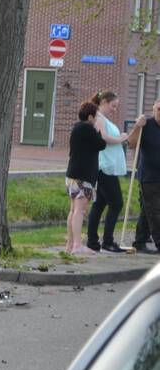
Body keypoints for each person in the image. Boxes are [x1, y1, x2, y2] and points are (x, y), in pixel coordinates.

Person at [86, 91, 131, 252]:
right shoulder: (98, 118)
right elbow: (103, 137)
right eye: (113, 106)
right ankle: (107, 241)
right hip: (105, 167)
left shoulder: (103, 118)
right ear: (104, 102)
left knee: (100, 204)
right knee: (116, 203)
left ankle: (93, 241)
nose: (114, 109)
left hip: (108, 167)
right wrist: (121, 138)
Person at [66, 101, 106, 255]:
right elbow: (101, 144)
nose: (96, 120)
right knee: (80, 211)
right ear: (90, 117)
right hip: (83, 177)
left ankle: (70, 245)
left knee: (73, 210)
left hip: (72, 175)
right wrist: (99, 129)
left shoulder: (77, 128)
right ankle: (77, 245)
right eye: (95, 117)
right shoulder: (88, 129)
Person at [128, 98, 160, 252]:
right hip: (149, 177)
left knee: (147, 210)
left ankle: (140, 241)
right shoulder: (146, 125)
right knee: (154, 211)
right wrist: (137, 126)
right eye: (159, 109)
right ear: (153, 109)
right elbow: (131, 144)